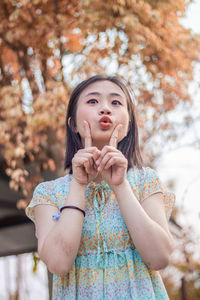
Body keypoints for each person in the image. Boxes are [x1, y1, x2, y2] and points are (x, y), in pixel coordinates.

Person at [26, 74, 175, 299]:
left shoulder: (146, 181)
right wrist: (78, 184)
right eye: (93, 101)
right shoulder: (48, 194)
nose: (105, 108)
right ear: (73, 123)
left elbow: (160, 257)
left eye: (116, 102)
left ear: (128, 125)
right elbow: (58, 263)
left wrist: (120, 186)